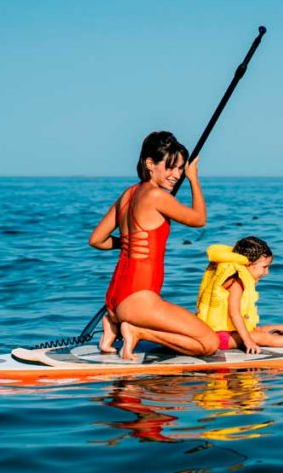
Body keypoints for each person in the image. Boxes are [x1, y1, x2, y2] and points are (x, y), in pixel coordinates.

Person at [89, 131, 219, 359]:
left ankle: (115, 323)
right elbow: (199, 219)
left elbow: (96, 240)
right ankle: (138, 331)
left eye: (181, 169)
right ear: (150, 164)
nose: (177, 175)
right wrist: (194, 179)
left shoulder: (128, 194)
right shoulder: (157, 196)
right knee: (208, 343)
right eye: (170, 167)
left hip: (115, 297)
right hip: (139, 299)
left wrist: (128, 243)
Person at [196, 237, 283, 353]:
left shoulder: (232, 273)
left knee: (260, 329)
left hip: (220, 332)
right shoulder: (236, 281)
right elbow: (234, 313)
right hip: (219, 337)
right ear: (248, 264)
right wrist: (248, 341)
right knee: (261, 337)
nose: (267, 272)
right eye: (264, 267)